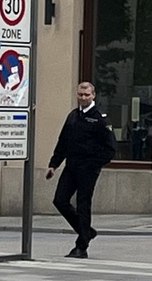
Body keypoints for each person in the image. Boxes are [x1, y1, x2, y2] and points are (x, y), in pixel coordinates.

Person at [45, 81, 117, 257]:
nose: (83, 98)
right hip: (71, 166)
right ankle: (86, 231)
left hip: (88, 169)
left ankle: (81, 246)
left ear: (93, 95)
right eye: (80, 95)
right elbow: (63, 142)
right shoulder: (73, 116)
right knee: (60, 200)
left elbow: (110, 148)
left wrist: (94, 164)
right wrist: (54, 164)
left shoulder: (100, 117)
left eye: (87, 95)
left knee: (83, 204)